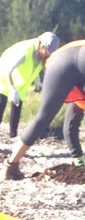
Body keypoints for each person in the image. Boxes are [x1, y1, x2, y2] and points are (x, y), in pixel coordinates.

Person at [5, 40, 85, 179]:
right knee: (44, 117)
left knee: (52, 116)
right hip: (65, 63)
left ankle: (78, 158)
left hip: (68, 61)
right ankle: (10, 167)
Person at [0, 32, 59, 138]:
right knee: (1, 103)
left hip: (20, 83)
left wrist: (37, 82)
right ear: (41, 44)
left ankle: (13, 135)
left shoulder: (41, 54)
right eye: (46, 50)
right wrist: (12, 89)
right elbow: (9, 69)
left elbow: (33, 67)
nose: (47, 54)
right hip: (3, 76)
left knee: (17, 106)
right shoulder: (25, 51)